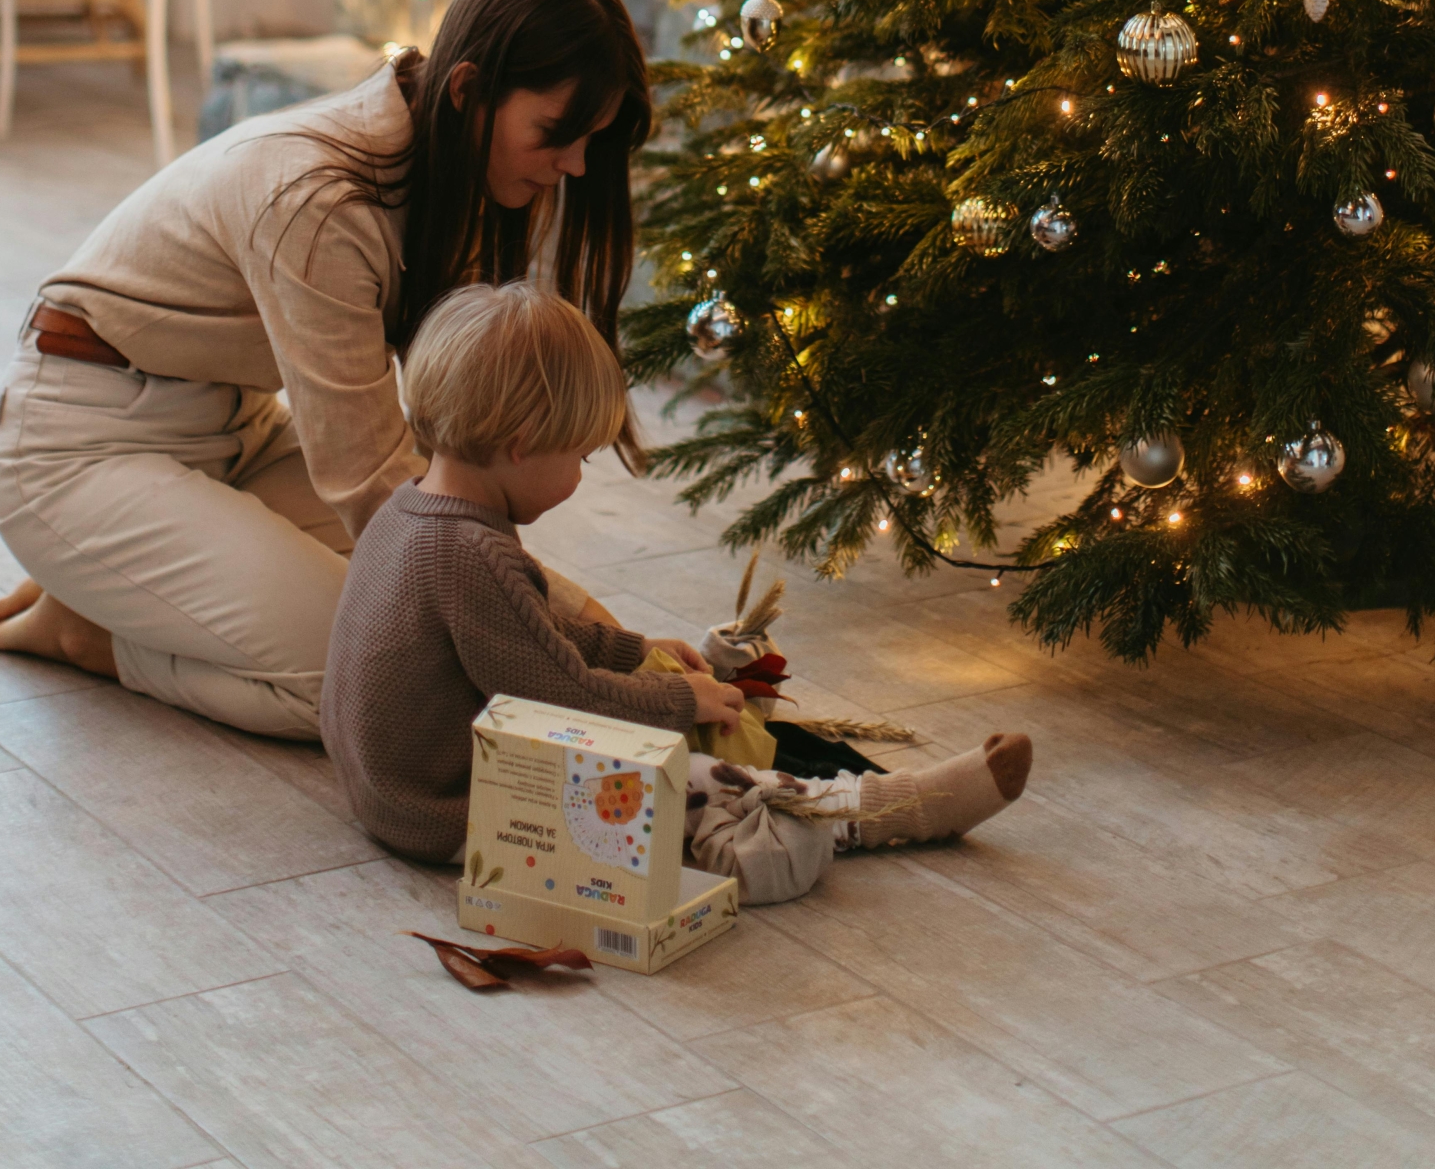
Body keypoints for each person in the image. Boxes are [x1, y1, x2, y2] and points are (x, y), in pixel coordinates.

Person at [0, 0, 649, 739]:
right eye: (557, 133)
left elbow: (452, 484)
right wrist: (574, 635)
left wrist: (595, 648)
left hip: (234, 436)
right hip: (78, 448)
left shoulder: (454, 175)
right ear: (467, 90)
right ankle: (95, 636)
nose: (575, 165)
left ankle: (122, 591)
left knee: (441, 634)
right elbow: (378, 485)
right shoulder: (321, 206)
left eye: (591, 140)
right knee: (384, 683)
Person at [322, 282, 1033, 903]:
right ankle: (889, 808)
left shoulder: (412, 511)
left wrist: (634, 651)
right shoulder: (471, 553)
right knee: (697, 776)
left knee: (654, 716)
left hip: (389, 795)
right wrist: (679, 701)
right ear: (522, 441)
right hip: (452, 811)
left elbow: (527, 633)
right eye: (579, 455)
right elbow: (561, 700)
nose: (579, 475)